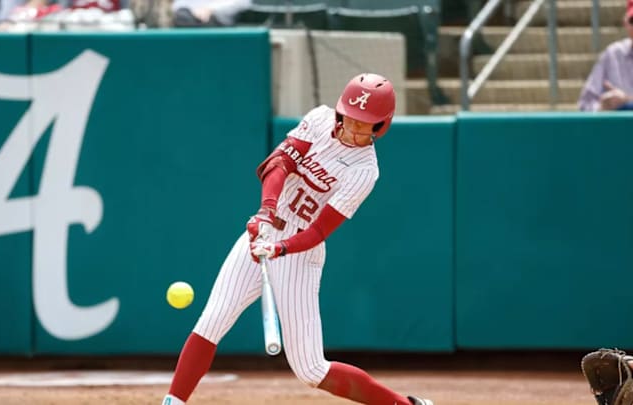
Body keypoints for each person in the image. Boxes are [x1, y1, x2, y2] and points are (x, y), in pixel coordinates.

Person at [160, 73, 434, 405]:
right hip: (266, 229)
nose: (352, 128)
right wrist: (266, 211)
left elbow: (319, 231)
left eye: (364, 124)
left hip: (300, 253)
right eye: (349, 117)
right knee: (213, 318)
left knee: (310, 369)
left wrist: (281, 247)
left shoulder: (365, 171)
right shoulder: (318, 119)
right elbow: (280, 163)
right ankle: (173, 402)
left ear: (381, 126)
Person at [578, 0, 633, 111]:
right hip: (617, 128)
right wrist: (601, 108)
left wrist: (628, 101)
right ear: (625, 23)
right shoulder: (613, 55)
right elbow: (585, 104)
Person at [171, 0, 249, 27]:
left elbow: (243, 2)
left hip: (220, 25)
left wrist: (211, 9)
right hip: (188, 19)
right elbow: (177, 6)